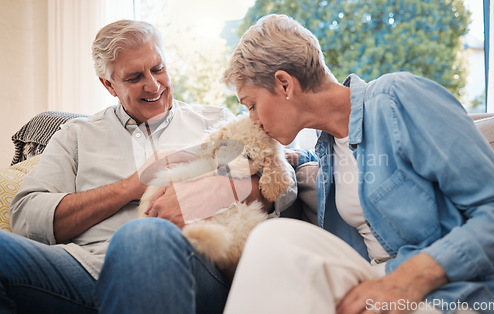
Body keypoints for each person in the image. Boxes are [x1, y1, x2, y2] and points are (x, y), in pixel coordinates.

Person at [2, 19, 296, 313]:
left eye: (158, 69)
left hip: (192, 265)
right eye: (134, 77)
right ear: (109, 85)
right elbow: (27, 216)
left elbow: (283, 184)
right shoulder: (75, 135)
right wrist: (131, 186)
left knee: (143, 236)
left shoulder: (216, 121)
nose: (154, 85)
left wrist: (219, 190)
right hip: (84, 270)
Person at [221, 14, 494, 314]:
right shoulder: (326, 149)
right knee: (275, 240)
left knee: (271, 238)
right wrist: (287, 160)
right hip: (375, 284)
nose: (253, 121)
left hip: (448, 292)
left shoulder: (398, 98)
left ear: (285, 84)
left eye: (251, 105)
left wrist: (414, 276)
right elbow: (348, 164)